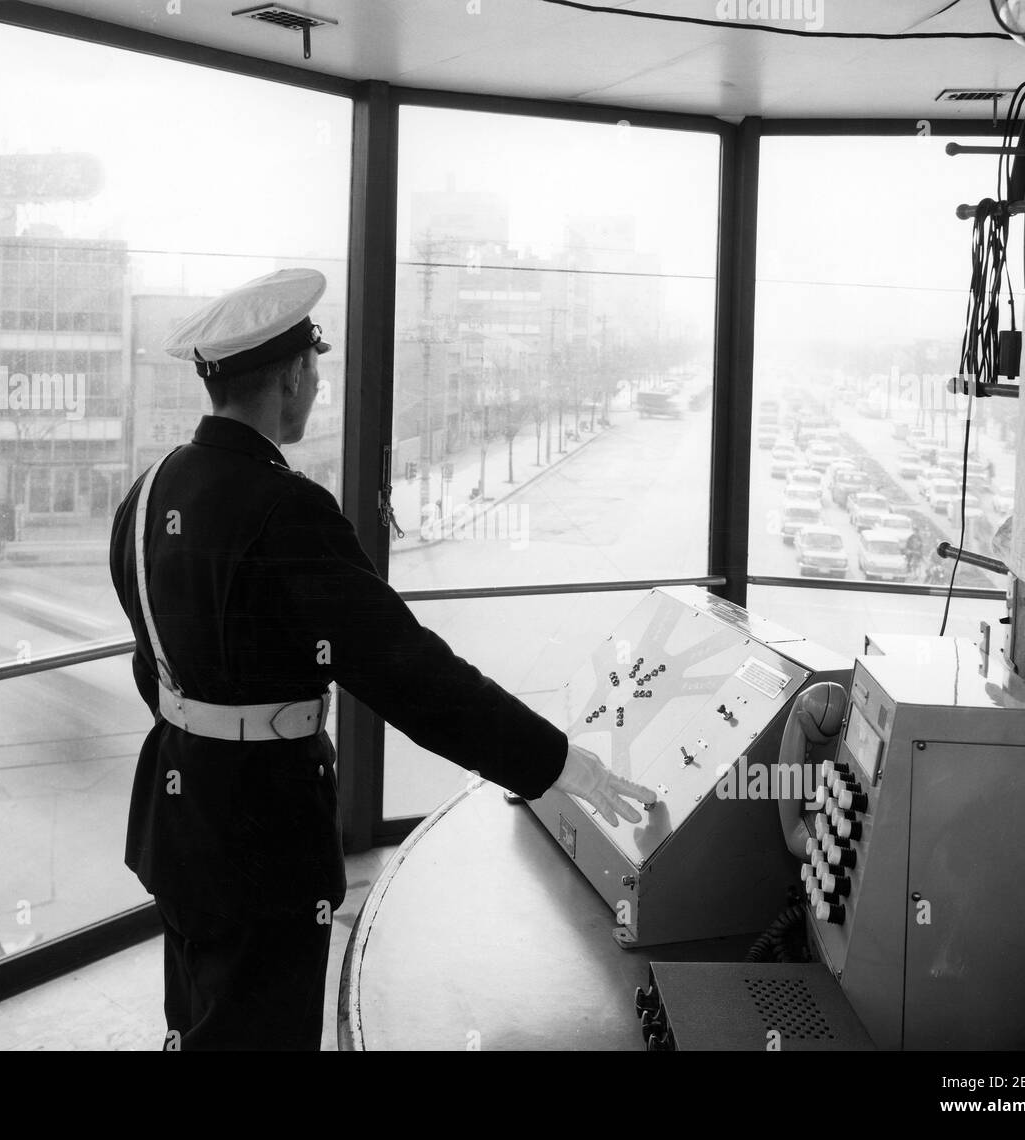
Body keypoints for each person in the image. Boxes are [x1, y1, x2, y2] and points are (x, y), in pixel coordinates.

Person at [108, 268, 653, 1051]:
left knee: (196, 1019)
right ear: (294, 375)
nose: (317, 384)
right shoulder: (288, 507)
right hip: (265, 838)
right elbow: (413, 676)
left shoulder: (148, 489)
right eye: (315, 370)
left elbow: (151, 657)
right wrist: (557, 762)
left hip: (177, 820)